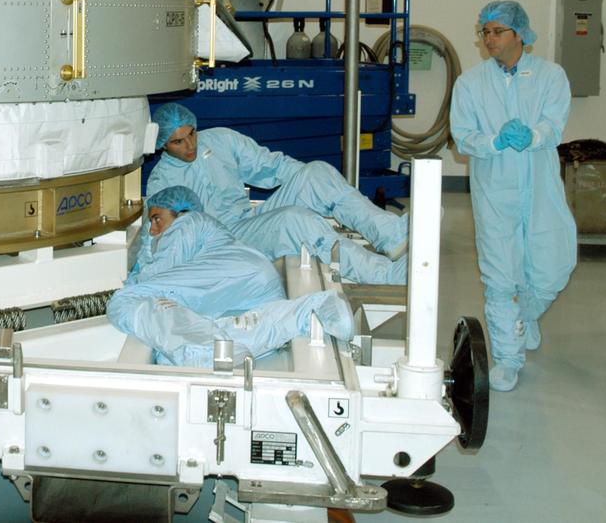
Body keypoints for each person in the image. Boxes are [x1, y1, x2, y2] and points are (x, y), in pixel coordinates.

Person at [450, 1, 576, 393]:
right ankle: (507, 356)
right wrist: (495, 141)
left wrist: (534, 136)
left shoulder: (550, 76)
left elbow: (554, 125)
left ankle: (524, 316)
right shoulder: (470, 84)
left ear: (519, 34)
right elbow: (463, 138)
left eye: (498, 31)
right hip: (495, 190)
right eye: (485, 31)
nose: (489, 38)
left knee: (555, 264)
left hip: (540, 186)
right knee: (500, 275)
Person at [146, 103, 407, 284]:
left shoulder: (220, 140)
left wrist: (316, 187)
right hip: (224, 243)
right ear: (163, 145)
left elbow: (273, 166)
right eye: (178, 142)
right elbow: (168, 239)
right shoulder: (162, 182)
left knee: (317, 172)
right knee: (294, 221)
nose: (190, 145)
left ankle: (392, 235)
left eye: (191, 134)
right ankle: (383, 275)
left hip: (249, 219)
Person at [107, 185, 355, 367]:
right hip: (253, 288)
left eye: (157, 218)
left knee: (124, 301)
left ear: (180, 211)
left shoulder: (189, 221)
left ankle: (204, 347)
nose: (153, 229)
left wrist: (135, 276)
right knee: (241, 329)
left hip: (231, 273)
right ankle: (315, 309)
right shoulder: (206, 236)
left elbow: (159, 274)